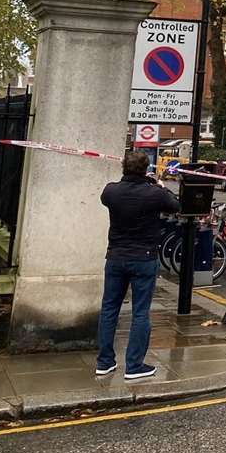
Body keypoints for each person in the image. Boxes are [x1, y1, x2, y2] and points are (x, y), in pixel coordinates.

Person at [96, 150, 180, 380]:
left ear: (123, 167)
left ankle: (104, 362)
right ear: (146, 169)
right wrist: (161, 185)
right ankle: (134, 366)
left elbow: (105, 199)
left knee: (109, 309)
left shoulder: (111, 191)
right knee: (140, 313)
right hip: (144, 258)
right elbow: (175, 205)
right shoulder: (154, 194)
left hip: (115, 257)